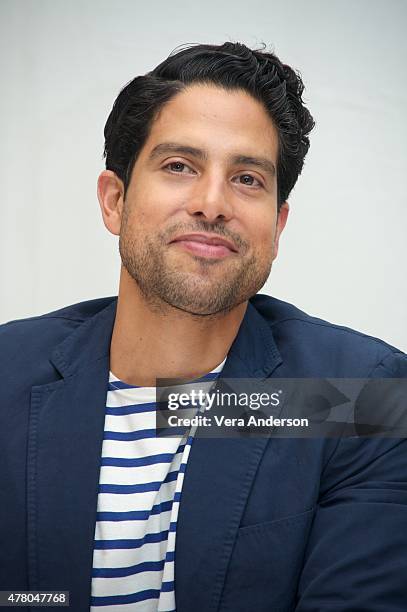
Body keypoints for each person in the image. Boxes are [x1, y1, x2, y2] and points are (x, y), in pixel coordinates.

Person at [1, 42, 406, 612]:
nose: (212, 203)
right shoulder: (6, 376)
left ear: (277, 224)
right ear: (114, 200)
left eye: (247, 179)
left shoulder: (358, 398)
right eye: (178, 166)